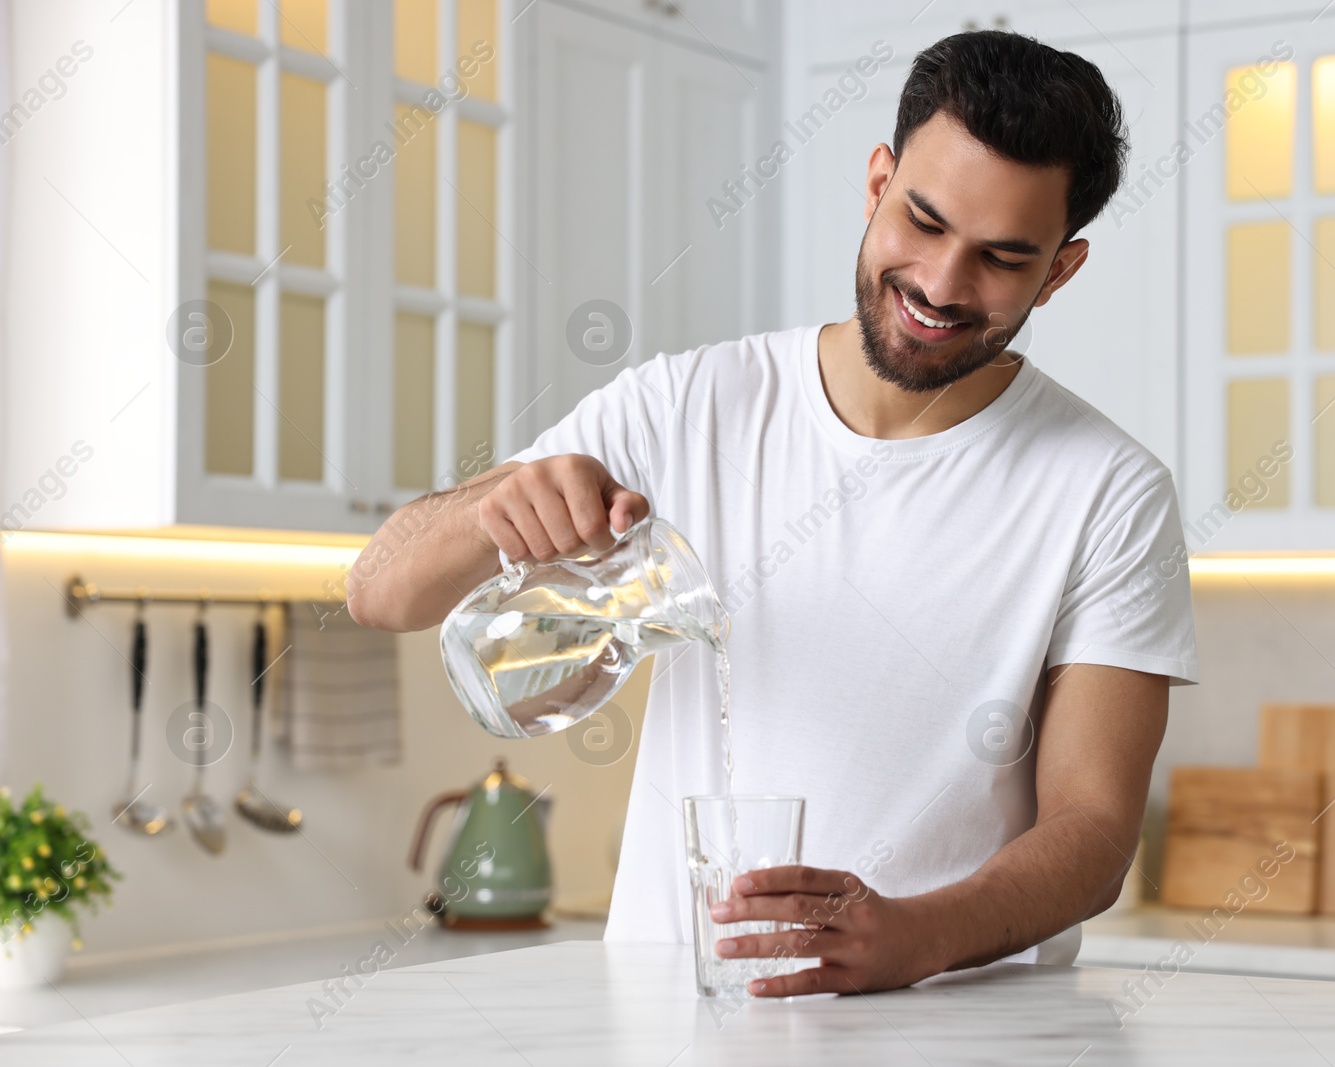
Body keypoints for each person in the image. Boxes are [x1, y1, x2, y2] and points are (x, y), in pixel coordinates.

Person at [349, 30, 1197, 998]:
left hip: (953, 1026)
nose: (941, 284)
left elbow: (1092, 830)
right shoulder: (684, 405)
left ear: (1059, 271)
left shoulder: (1107, 489)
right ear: (877, 182)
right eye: (922, 221)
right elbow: (381, 589)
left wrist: (914, 935)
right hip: (674, 1016)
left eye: (1002, 259)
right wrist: (497, 509)